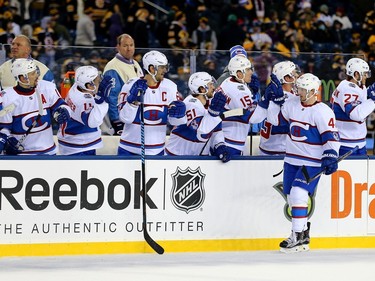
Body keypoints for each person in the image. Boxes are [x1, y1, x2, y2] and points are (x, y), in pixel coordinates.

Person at [266, 73, 340, 253]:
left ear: (314, 92)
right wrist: (274, 102)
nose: (298, 92)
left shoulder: (323, 111)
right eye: (298, 88)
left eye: (302, 89)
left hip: (311, 161)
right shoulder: (291, 104)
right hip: (291, 159)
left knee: (299, 194)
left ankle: (296, 235)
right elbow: (274, 121)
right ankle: (304, 232)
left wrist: (331, 155)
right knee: (291, 197)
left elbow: (331, 136)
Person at [117, 50, 187, 156]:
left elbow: (174, 122)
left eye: (165, 67)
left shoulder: (170, 87)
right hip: (128, 149)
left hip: (157, 150)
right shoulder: (130, 85)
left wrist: (179, 115)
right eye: (162, 67)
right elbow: (125, 118)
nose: (165, 70)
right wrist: (132, 102)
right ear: (151, 68)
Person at [0, 58, 71, 155]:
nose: (37, 76)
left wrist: (64, 111)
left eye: (36, 72)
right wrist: (8, 139)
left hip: (48, 152)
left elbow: (62, 106)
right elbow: (4, 128)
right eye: (33, 73)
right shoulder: (7, 97)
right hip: (22, 155)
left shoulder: (47, 87)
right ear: (22, 78)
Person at [165, 71, 230, 162]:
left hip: (196, 158)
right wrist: (213, 114)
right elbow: (201, 134)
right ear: (202, 89)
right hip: (177, 157)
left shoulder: (211, 103)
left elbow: (216, 130)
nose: (213, 87)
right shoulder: (191, 105)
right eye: (210, 84)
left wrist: (219, 144)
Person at [57, 66, 114, 155]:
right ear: (88, 85)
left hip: (70, 140)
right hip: (80, 145)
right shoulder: (84, 101)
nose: (100, 81)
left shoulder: (76, 87)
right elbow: (93, 122)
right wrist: (102, 101)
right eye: (96, 80)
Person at [218, 55, 265, 156]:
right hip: (231, 142)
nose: (251, 72)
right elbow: (253, 118)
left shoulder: (227, 81)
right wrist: (264, 102)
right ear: (239, 74)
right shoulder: (240, 91)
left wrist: (252, 93)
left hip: (223, 138)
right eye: (248, 70)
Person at [331, 57, 375, 156]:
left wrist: (369, 91)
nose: (366, 77)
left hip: (355, 142)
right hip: (347, 144)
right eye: (364, 74)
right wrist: (373, 99)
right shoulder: (347, 89)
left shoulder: (353, 86)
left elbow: (359, 100)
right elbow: (355, 114)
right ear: (356, 74)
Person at [102, 34, 143, 135]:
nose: (129, 49)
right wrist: (117, 122)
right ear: (118, 47)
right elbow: (112, 97)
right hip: (123, 119)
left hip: (134, 116)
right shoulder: (113, 67)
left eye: (131, 45)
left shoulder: (135, 63)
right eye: (125, 46)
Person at [258, 61, 300, 155]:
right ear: (285, 77)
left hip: (265, 147)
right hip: (279, 150)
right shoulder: (290, 99)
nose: (296, 76)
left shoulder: (269, 94)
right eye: (293, 74)